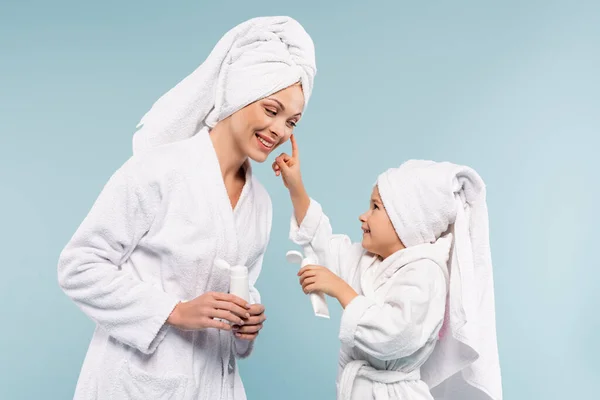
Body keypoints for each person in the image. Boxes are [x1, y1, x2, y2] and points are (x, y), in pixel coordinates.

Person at [57, 16, 316, 400]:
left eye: (292, 121)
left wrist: (247, 321)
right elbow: (79, 267)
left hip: (215, 385)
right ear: (239, 95)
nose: (280, 130)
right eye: (271, 109)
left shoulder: (260, 202)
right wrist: (172, 311)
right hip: (138, 384)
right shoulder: (160, 171)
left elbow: (237, 285)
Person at [274, 142, 502, 400]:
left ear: (405, 222)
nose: (363, 216)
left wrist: (340, 289)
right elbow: (324, 245)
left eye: (375, 207)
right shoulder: (370, 261)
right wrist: (296, 188)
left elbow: (397, 334)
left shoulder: (427, 274)